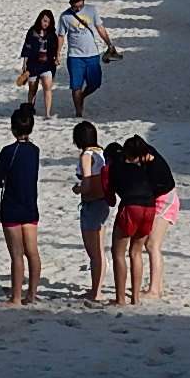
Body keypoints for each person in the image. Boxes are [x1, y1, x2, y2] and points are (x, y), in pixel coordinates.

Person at [107, 134, 175, 306]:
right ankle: (136, 297)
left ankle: (123, 298)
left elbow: (111, 197)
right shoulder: (146, 160)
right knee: (137, 252)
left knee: (121, 253)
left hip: (145, 204)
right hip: (150, 206)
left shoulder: (117, 166)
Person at [0, 104, 41, 306]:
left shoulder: (8, 151)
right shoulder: (35, 151)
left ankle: (16, 297)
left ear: (13, 128)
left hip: (12, 207)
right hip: (30, 206)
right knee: (32, 252)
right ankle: (31, 293)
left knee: (16, 255)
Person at [58, 0, 118, 117]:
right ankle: (78, 112)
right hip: (75, 56)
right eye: (76, 7)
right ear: (70, 4)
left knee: (95, 83)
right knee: (76, 86)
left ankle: (82, 97)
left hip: (92, 54)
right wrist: (57, 53)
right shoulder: (65, 17)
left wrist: (109, 43)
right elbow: (61, 36)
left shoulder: (92, 10)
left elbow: (100, 28)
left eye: (81, 5)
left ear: (84, 1)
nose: (79, 8)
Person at [71, 120, 112, 302]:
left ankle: (96, 292)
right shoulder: (102, 153)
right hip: (102, 202)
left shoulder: (86, 155)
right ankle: (97, 288)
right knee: (99, 250)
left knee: (93, 252)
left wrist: (78, 189)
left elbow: (87, 184)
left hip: (92, 203)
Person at [146, 142, 181, 299]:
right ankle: (157, 287)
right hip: (164, 198)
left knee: (153, 245)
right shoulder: (152, 159)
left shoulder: (154, 165)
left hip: (166, 201)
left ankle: (154, 289)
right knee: (152, 245)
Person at [19, 10, 61, 118]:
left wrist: (57, 57)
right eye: (44, 21)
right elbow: (27, 48)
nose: (46, 23)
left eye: (48, 22)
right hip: (33, 63)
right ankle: (30, 109)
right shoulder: (32, 32)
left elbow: (56, 48)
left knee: (47, 86)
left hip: (47, 64)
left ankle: (47, 113)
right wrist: (24, 64)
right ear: (40, 20)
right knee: (32, 88)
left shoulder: (52, 34)